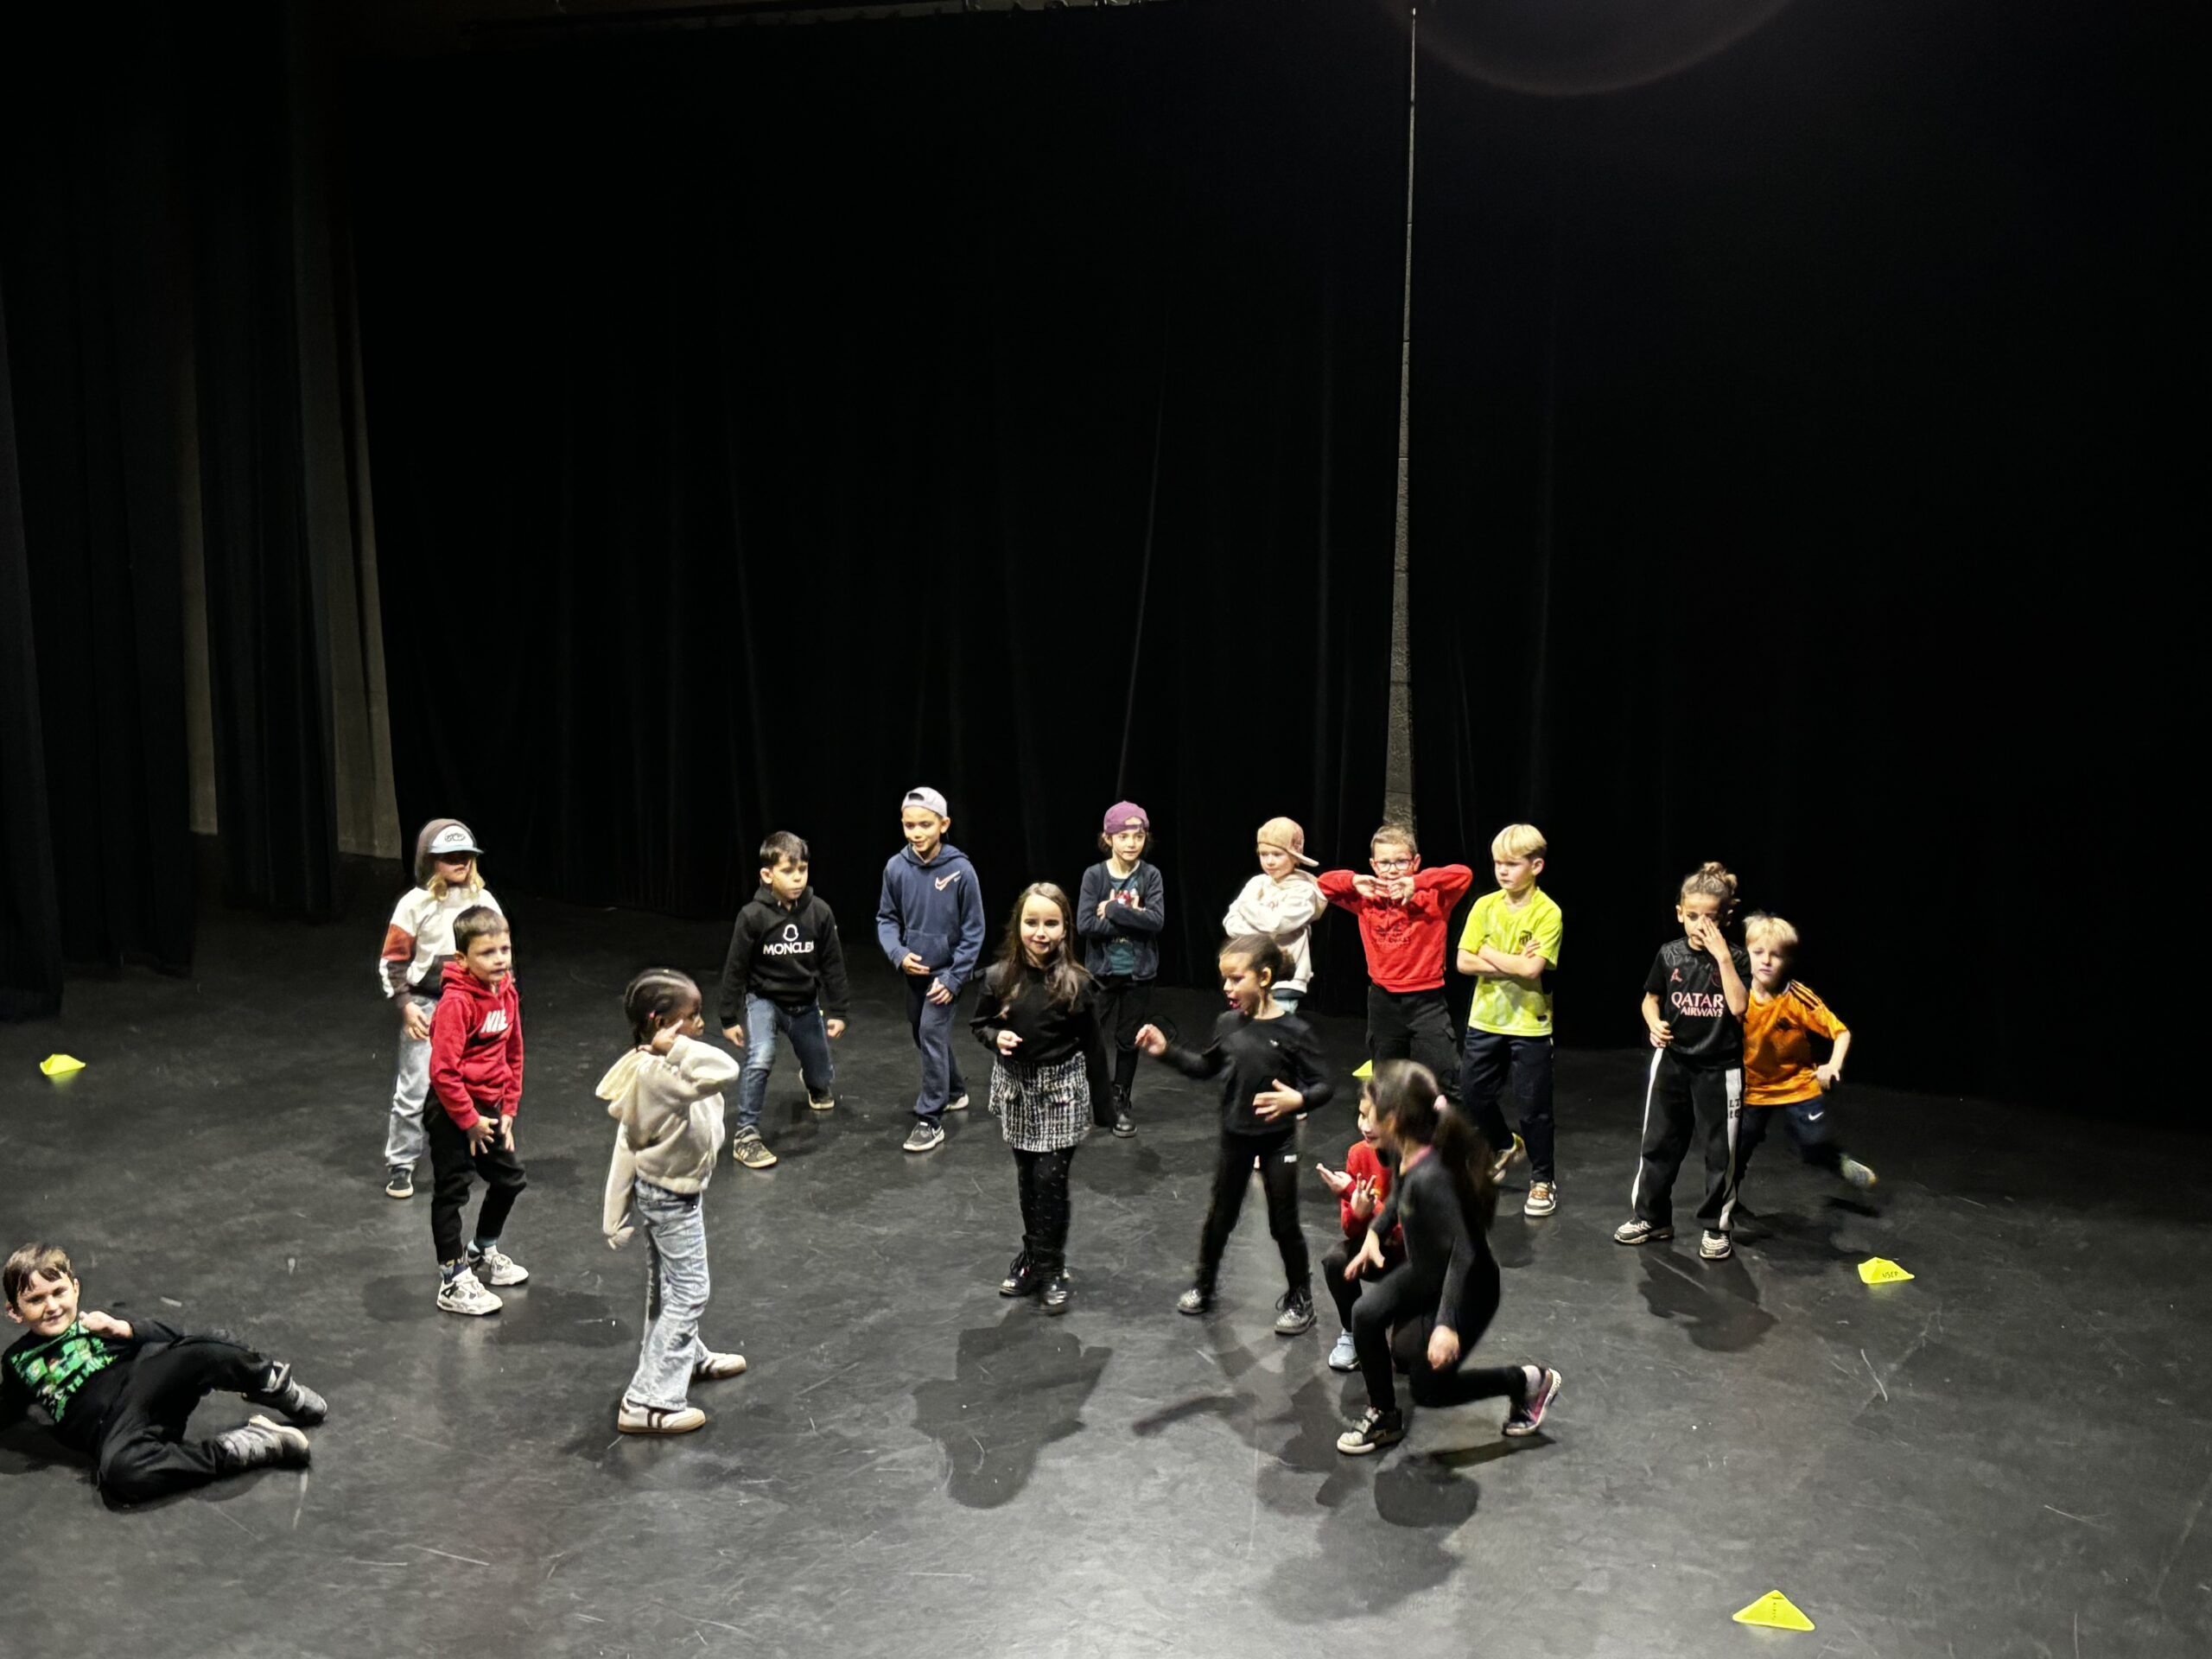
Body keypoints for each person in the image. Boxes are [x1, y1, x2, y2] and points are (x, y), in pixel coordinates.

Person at [1333, 1063, 1562, 1455]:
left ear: (1394, 1119)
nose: (1364, 1120)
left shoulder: (1433, 1175)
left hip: (1470, 1285)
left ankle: (1527, 1382)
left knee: (1428, 1390)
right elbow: (1399, 1195)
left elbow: (1465, 1248)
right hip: (1428, 1271)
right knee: (1366, 1314)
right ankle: (1384, 1415)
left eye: (1369, 1112)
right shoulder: (1405, 1151)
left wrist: (1446, 1324)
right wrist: (1374, 1232)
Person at [3, 1243, 326, 1505]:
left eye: (58, 1292)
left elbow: (178, 1339)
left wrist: (126, 1329)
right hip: (115, 1429)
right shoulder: (17, 1360)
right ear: (15, 1311)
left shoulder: (98, 1324)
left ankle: (268, 1382)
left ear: (75, 1289)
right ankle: (241, 1448)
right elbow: (6, 1408)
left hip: (146, 1384)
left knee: (206, 1347)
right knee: (121, 1475)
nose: (51, 1306)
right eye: (36, 1300)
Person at [1135, 933, 1334, 1334]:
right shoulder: (1227, 1024)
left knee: (1284, 1222)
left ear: (1264, 977)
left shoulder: (1293, 1030)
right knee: (1220, 1216)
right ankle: (1204, 1284)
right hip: (1236, 1136)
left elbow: (1325, 1084)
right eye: (1224, 979)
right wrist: (1166, 1051)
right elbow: (1205, 1067)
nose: (1227, 987)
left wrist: (1299, 1099)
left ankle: (1300, 1296)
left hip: (1277, 1140)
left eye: (1236, 979)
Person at [600, 969, 752, 1435]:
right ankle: (648, 1400)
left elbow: (629, 1142)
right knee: (690, 1291)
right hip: (671, 1198)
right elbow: (726, 1070)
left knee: (667, 1287)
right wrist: (678, 1049)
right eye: (692, 1016)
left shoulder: (655, 1065)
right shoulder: (660, 1073)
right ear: (661, 1023)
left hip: (671, 1192)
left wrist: (615, 1214)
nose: (701, 1024)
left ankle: (684, 1356)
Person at [971, 884, 1113, 1315]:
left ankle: (1052, 1267)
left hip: (1060, 1091)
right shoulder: (1000, 977)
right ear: (1018, 925)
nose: (1040, 932)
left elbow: (1093, 1046)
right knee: (1028, 1179)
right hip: (1018, 1090)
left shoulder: (1077, 984)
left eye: (1051, 923)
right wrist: (996, 1037)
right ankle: (1032, 1257)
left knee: (1050, 1179)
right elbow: (980, 1023)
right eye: (1031, 922)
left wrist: (1104, 1109)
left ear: (1065, 928)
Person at [1615, 861, 1751, 1262]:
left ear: (1725, 919)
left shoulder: (1736, 958)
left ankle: (1717, 1226)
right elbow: (1651, 998)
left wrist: (1722, 957)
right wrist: (1653, 1023)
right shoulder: (1669, 954)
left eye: (1710, 918)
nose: (1700, 925)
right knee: (1658, 1142)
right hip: (1673, 1062)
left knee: (1720, 1152)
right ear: (1679, 913)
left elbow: (1739, 1007)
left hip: (1719, 1068)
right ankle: (1652, 1217)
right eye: (1692, 916)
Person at [374, 819, 503, 1200]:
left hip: (474, 1004)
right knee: (415, 1087)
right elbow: (393, 961)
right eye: (450, 857)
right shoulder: (414, 905)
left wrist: (499, 999)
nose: (460, 863)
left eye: (466, 855)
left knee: (476, 1082)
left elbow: (500, 955)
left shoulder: (484, 901)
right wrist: (406, 1005)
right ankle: (402, 1163)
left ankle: (475, 1156)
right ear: (430, 862)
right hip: (428, 1004)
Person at [715, 830, 851, 1171]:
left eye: (802, 870)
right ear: (767, 874)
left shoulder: (819, 912)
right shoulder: (752, 916)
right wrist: (728, 1017)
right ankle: (746, 1134)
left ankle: (814, 1081)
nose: (797, 878)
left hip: (805, 1003)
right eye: (788, 871)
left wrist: (839, 1010)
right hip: (765, 1000)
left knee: (821, 1075)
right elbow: (735, 968)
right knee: (760, 1057)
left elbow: (833, 964)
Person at [426, 905, 531, 1314]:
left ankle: (481, 1250)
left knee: (509, 1180)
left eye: (505, 949)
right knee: (452, 1192)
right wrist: (469, 1121)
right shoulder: (456, 1003)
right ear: (463, 958)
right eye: (487, 953)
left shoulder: (506, 992)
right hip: (453, 1110)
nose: (500, 959)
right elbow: (443, 1072)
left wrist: (509, 1109)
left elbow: (514, 1052)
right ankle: (452, 1279)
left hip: (489, 1108)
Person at [1455, 823, 1565, 1214]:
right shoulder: (1484, 906)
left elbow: (1533, 969)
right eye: (1498, 863)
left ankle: (1543, 1179)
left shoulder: (1548, 912)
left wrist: (1489, 953)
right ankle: (1504, 1144)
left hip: (1529, 1023)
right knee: (1473, 1094)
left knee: (1534, 1107)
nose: (1502, 870)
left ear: (1536, 866)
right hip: (1485, 1019)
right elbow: (1463, 961)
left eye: (1512, 864)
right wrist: (1512, 962)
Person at [1319, 823, 1474, 1088]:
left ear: (1416, 862)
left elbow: (1463, 874)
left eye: (1401, 862)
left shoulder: (1434, 896)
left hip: (1426, 1001)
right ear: (1374, 865)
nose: (1392, 870)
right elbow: (1324, 884)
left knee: (1444, 1077)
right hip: (1383, 1002)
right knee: (1386, 1081)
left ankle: (1441, 1116)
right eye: (1384, 863)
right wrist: (1354, 880)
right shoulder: (1366, 898)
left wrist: (1417, 882)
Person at [875, 786, 986, 1154]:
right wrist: (898, 953)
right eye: (910, 825)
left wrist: (954, 978)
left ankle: (930, 1118)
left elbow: (974, 930)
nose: (917, 832)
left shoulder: (960, 870)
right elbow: (886, 918)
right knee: (921, 1034)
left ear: (944, 824)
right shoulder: (896, 867)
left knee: (930, 1031)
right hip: (915, 973)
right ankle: (954, 1091)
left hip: (947, 973)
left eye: (925, 825)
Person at [1736, 913, 1875, 1200]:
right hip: (1754, 1088)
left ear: (1787, 961)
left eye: (1776, 955)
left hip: (1796, 1084)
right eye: (1758, 952)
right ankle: (1726, 1197)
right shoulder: (1737, 993)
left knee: (1813, 1144)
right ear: (1746, 953)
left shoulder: (1798, 997)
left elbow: (1841, 1033)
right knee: (1738, 1147)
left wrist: (1833, 1065)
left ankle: (1836, 1161)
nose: (1766, 961)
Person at [1076, 802, 1165, 1139]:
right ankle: (1091, 1096)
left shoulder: (1150, 876)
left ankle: (1119, 1098)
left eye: (1138, 836)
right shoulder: (1095, 876)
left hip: (1138, 974)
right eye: (1124, 836)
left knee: (1128, 1040)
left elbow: (1155, 921)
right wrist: (1133, 917)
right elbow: (1086, 924)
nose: (1131, 843)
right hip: (1102, 974)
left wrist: (1113, 909)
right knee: (1089, 1036)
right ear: (1108, 838)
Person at [1314, 1088, 1401, 1371]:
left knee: (1406, 1357)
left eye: (1373, 1118)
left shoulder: (1415, 1158)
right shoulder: (1358, 1153)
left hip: (1414, 1262)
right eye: (1361, 1115)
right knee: (1336, 1260)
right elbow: (1350, 1230)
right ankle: (1352, 1331)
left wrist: (1354, 1194)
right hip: (1376, 1250)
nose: (1364, 1126)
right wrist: (1358, 1211)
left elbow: (1406, 1232)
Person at [1221, 817, 1328, 1012]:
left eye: (1277, 854)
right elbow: (1230, 923)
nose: (1269, 861)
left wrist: (1247, 908)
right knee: (1247, 1027)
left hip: (1284, 980)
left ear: (1295, 857)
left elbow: (1277, 923)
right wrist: (1264, 928)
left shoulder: (1304, 890)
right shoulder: (1257, 883)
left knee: (1275, 1026)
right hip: (1250, 974)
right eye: (1264, 854)